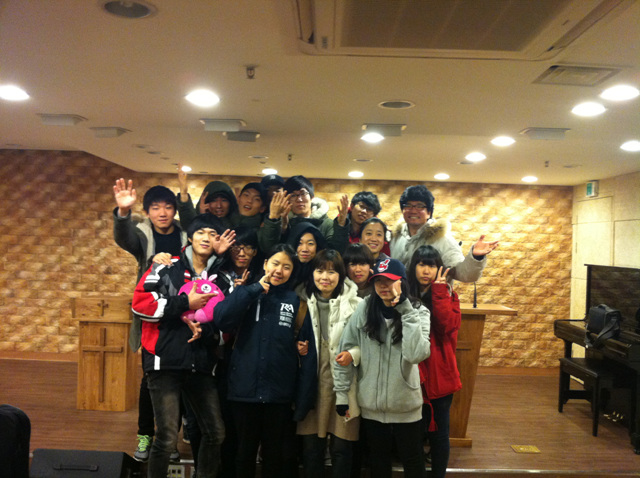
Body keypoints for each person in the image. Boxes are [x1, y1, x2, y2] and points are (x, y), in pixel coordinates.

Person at [132, 213, 231, 478]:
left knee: (215, 433)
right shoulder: (165, 266)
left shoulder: (223, 279)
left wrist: (206, 332)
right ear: (190, 237)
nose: (206, 238)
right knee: (166, 437)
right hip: (164, 361)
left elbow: (227, 326)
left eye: (213, 234)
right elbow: (140, 305)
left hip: (200, 363)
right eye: (201, 232)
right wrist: (185, 303)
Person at [213, 244, 317, 478]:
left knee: (274, 457)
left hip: (279, 393)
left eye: (287, 267)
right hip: (244, 390)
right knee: (243, 454)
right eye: (275, 264)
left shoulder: (296, 302)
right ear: (265, 264)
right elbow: (221, 319)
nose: (279, 270)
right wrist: (253, 289)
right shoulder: (246, 292)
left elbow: (305, 348)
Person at [333, 259, 431, 478]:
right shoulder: (365, 307)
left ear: (402, 282)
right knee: (378, 461)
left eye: (390, 280)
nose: (384, 286)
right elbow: (344, 350)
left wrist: (405, 311)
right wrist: (341, 395)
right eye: (378, 281)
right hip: (371, 405)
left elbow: (416, 354)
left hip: (406, 405)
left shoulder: (418, 311)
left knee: (413, 459)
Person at [112, 178, 187, 463]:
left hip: (182, 313)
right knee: (150, 380)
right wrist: (123, 212)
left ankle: (170, 440)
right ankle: (145, 435)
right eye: (155, 207)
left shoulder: (186, 235)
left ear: (175, 210)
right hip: (151, 317)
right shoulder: (143, 235)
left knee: (178, 379)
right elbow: (124, 238)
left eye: (168, 207)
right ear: (147, 212)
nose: (162, 213)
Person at [295, 250, 362, 478]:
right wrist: (296, 347)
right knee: (311, 449)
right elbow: (285, 338)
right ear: (312, 273)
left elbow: (369, 344)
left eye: (332, 272)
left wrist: (353, 353)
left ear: (341, 275)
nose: (325, 277)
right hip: (311, 385)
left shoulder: (357, 305)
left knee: (342, 448)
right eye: (320, 270)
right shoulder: (300, 303)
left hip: (344, 386)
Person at [407, 246, 461, 478]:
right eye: (421, 264)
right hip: (411, 375)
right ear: (414, 267)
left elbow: (446, 327)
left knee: (439, 435)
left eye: (431, 265)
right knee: (412, 436)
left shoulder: (448, 295)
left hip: (439, 376)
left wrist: (439, 292)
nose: (426, 271)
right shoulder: (405, 294)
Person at [389, 185, 498, 283]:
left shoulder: (443, 239)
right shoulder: (395, 237)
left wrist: (476, 258)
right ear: (402, 210)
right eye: (408, 205)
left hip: (431, 299)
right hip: (397, 298)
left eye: (420, 206)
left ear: (429, 212)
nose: (413, 210)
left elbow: (464, 274)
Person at [258, 175, 349, 254]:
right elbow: (268, 248)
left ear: (312, 197)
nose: (299, 199)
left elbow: (336, 253)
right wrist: (278, 222)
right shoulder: (280, 222)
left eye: (303, 193)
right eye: (293, 195)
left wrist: (341, 225)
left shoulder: (326, 223)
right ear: (287, 199)